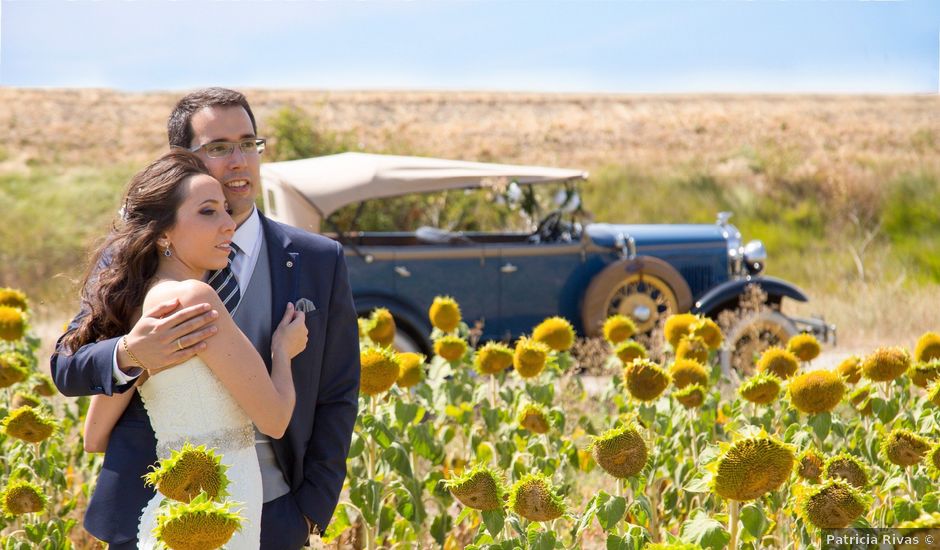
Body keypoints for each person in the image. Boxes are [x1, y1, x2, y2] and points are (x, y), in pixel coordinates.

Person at [51, 88, 361, 549]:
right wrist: (131, 353)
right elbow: (68, 365)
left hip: (274, 511)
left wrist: (311, 511)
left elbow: (338, 393)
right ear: (182, 159)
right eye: (218, 148)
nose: (239, 160)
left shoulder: (319, 259)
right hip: (150, 507)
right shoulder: (132, 257)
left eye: (248, 143)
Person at [73, 151, 305, 548]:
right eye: (208, 212)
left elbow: (93, 437)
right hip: (220, 505)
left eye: (226, 211)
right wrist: (283, 352)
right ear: (163, 233)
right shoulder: (197, 298)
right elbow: (275, 419)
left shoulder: (140, 312)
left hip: (177, 509)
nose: (228, 224)